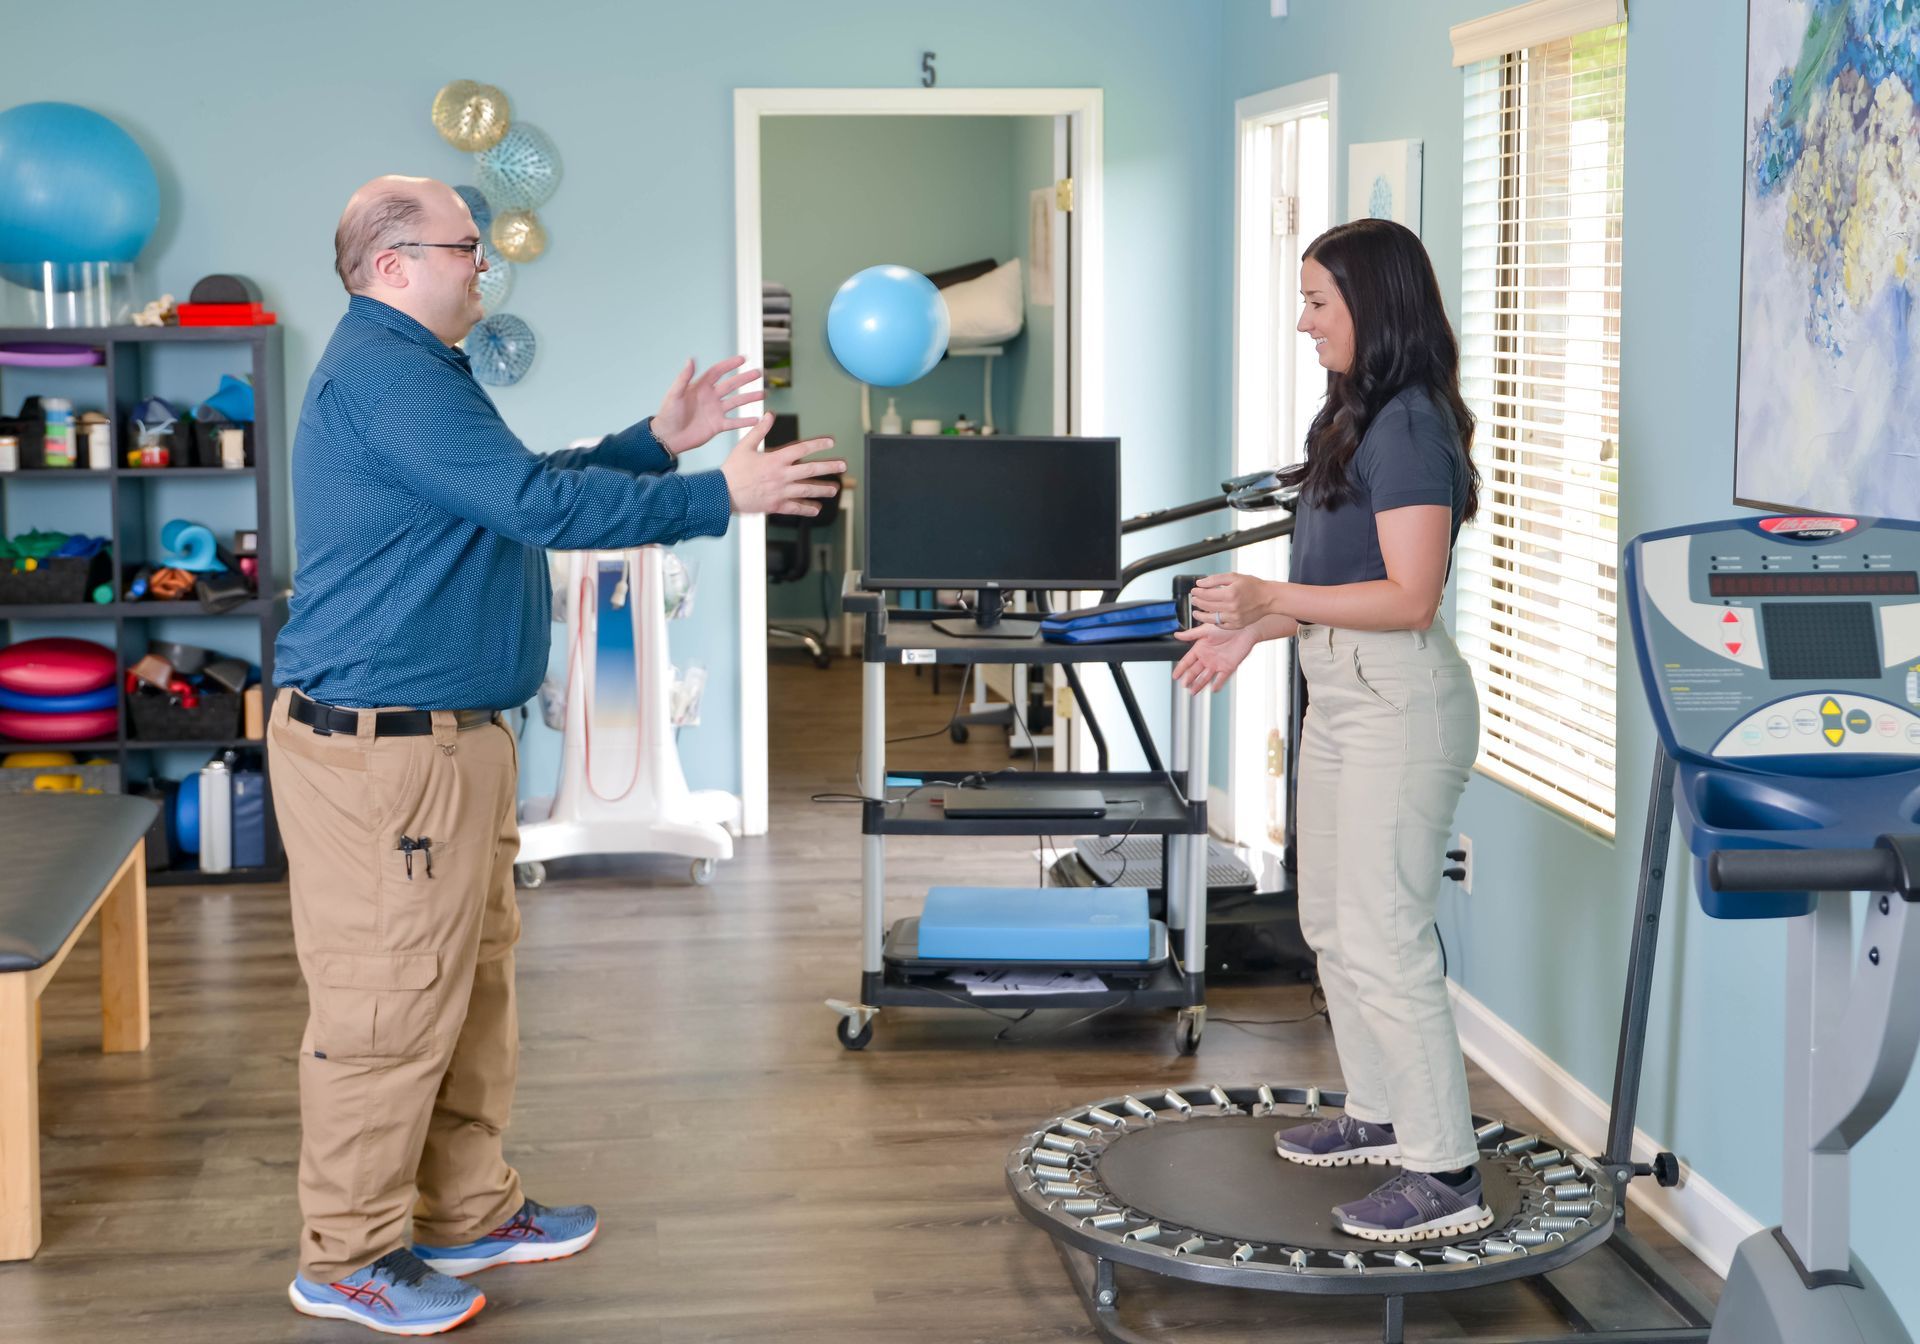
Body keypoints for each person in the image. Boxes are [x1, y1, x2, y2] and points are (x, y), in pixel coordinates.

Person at [269, 174, 844, 1334]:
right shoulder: (382, 373)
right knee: (388, 1007)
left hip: (449, 745)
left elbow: (503, 496)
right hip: (384, 753)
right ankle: (347, 1255)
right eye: (465, 248)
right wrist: (716, 493)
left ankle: (465, 1207)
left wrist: (648, 444)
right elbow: (535, 503)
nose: (484, 266)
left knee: (467, 990)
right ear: (392, 266)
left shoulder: (422, 370)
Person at [1177, 217, 1489, 1244]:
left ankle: (1443, 1172)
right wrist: (1256, 627)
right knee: (1332, 927)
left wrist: (1270, 589)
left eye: (1319, 302)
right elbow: (1335, 588)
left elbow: (1408, 597)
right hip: (1343, 693)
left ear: (1374, 306)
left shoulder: (1409, 426)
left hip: (1399, 703)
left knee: (1387, 936)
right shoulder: (1352, 416)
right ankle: (1380, 1112)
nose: (1303, 322)